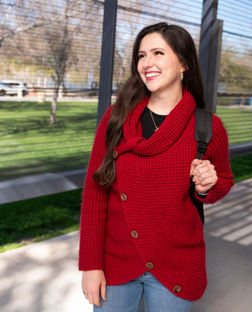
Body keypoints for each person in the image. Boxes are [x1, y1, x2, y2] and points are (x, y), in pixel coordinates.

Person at [78, 22, 234, 312]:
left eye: (158, 53)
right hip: (116, 264)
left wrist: (207, 186)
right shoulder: (116, 119)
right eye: (141, 55)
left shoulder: (208, 127)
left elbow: (222, 181)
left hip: (176, 265)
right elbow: (95, 194)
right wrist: (91, 265)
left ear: (184, 63)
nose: (146, 63)